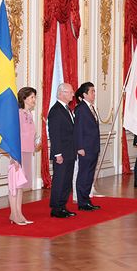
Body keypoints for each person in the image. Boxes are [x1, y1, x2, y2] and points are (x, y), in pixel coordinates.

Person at [9, 87, 39, 225]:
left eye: (34, 97)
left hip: (27, 152)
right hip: (18, 153)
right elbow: (13, 136)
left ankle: (19, 213)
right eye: (32, 97)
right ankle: (13, 214)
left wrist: (35, 144)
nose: (34, 100)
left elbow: (30, 135)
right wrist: (14, 157)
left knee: (21, 185)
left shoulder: (29, 114)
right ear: (24, 98)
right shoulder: (18, 114)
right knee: (15, 185)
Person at [48, 83, 77, 218]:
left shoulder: (66, 109)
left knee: (66, 181)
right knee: (59, 180)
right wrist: (57, 153)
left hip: (70, 152)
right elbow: (55, 134)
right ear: (61, 93)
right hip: (62, 153)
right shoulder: (55, 111)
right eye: (70, 92)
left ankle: (62, 206)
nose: (73, 94)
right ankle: (56, 208)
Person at [73, 82, 101, 211]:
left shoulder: (91, 107)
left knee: (89, 174)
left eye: (94, 91)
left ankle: (86, 199)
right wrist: (79, 147)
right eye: (92, 91)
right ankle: (82, 201)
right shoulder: (80, 109)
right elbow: (78, 129)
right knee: (84, 174)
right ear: (85, 94)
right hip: (85, 148)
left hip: (93, 147)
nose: (94, 94)